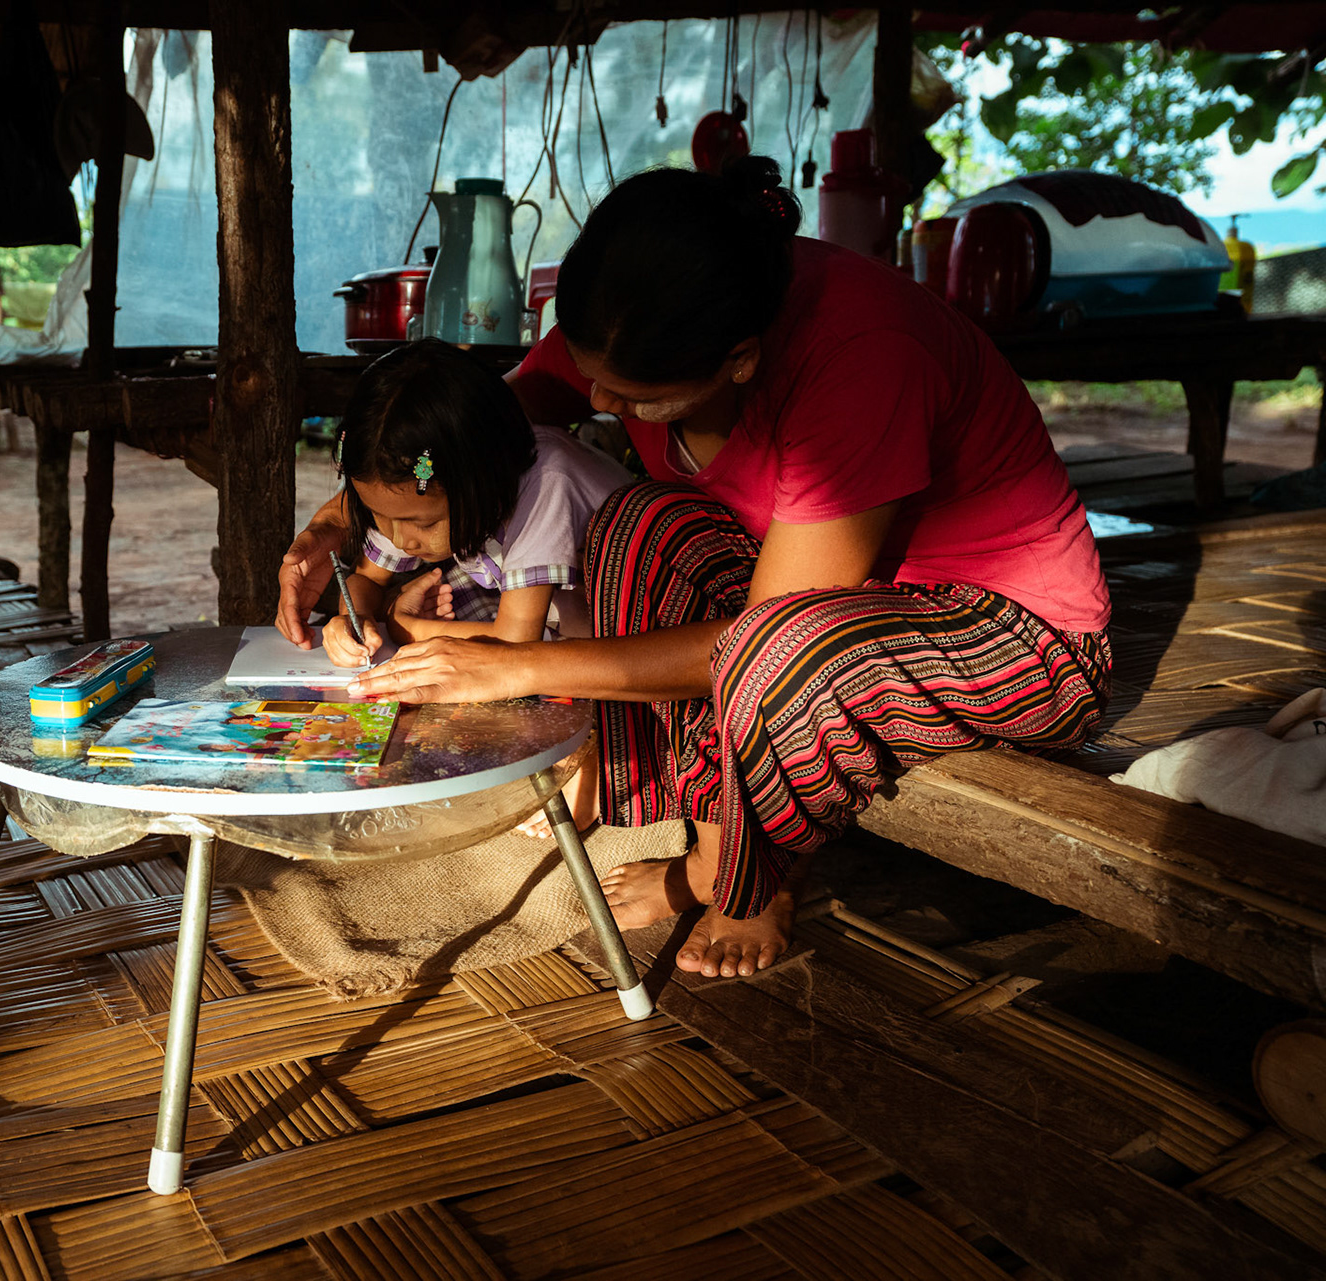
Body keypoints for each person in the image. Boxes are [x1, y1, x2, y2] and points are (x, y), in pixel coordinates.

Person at [279, 159, 1112, 981]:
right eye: (591, 375)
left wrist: (513, 662)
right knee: (637, 524)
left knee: (778, 650)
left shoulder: (862, 354)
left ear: (742, 359)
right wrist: (339, 520)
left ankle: (748, 876)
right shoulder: (629, 319)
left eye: (634, 396)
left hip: (1011, 640)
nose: (600, 404)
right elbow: (464, 444)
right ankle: (702, 828)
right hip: (825, 610)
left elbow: (766, 635)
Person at [314, 339, 630, 669]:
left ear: (479, 481)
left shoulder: (546, 484)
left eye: (423, 524)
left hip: (624, 642)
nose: (400, 540)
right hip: (546, 621)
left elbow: (515, 644)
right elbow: (367, 580)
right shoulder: (415, 492)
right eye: (378, 516)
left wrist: (408, 627)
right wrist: (354, 619)